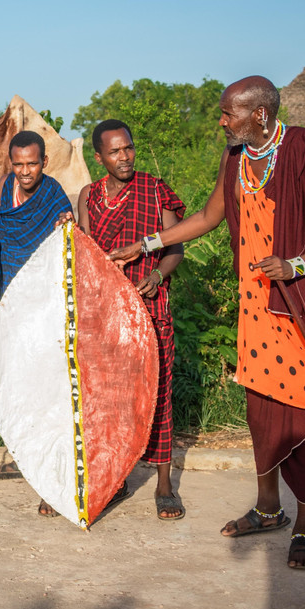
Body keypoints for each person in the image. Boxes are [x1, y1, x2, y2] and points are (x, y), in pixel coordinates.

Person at [109, 76, 305, 570]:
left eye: (229, 114)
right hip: (261, 307)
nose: (221, 121)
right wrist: (147, 244)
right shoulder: (236, 158)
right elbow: (210, 215)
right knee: (264, 415)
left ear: (261, 116)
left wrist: (297, 264)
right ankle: (268, 508)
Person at [0, 130, 74, 509]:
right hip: (6, 303)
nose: (26, 171)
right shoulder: (3, 189)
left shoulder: (53, 195)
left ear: (44, 162)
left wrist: (66, 228)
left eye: (33, 163)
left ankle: (51, 479)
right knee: (8, 379)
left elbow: (63, 241)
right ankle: (26, 458)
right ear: (12, 163)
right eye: (19, 164)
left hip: (40, 307)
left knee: (44, 386)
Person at [79, 120, 186, 520]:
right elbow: (89, 255)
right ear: (99, 157)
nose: (124, 157)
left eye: (128, 149)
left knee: (157, 393)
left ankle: (163, 484)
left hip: (150, 305)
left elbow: (176, 249)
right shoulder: (88, 196)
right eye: (114, 152)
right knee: (110, 398)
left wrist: (156, 276)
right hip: (108, 314)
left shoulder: (154, 189)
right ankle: (117, 477)